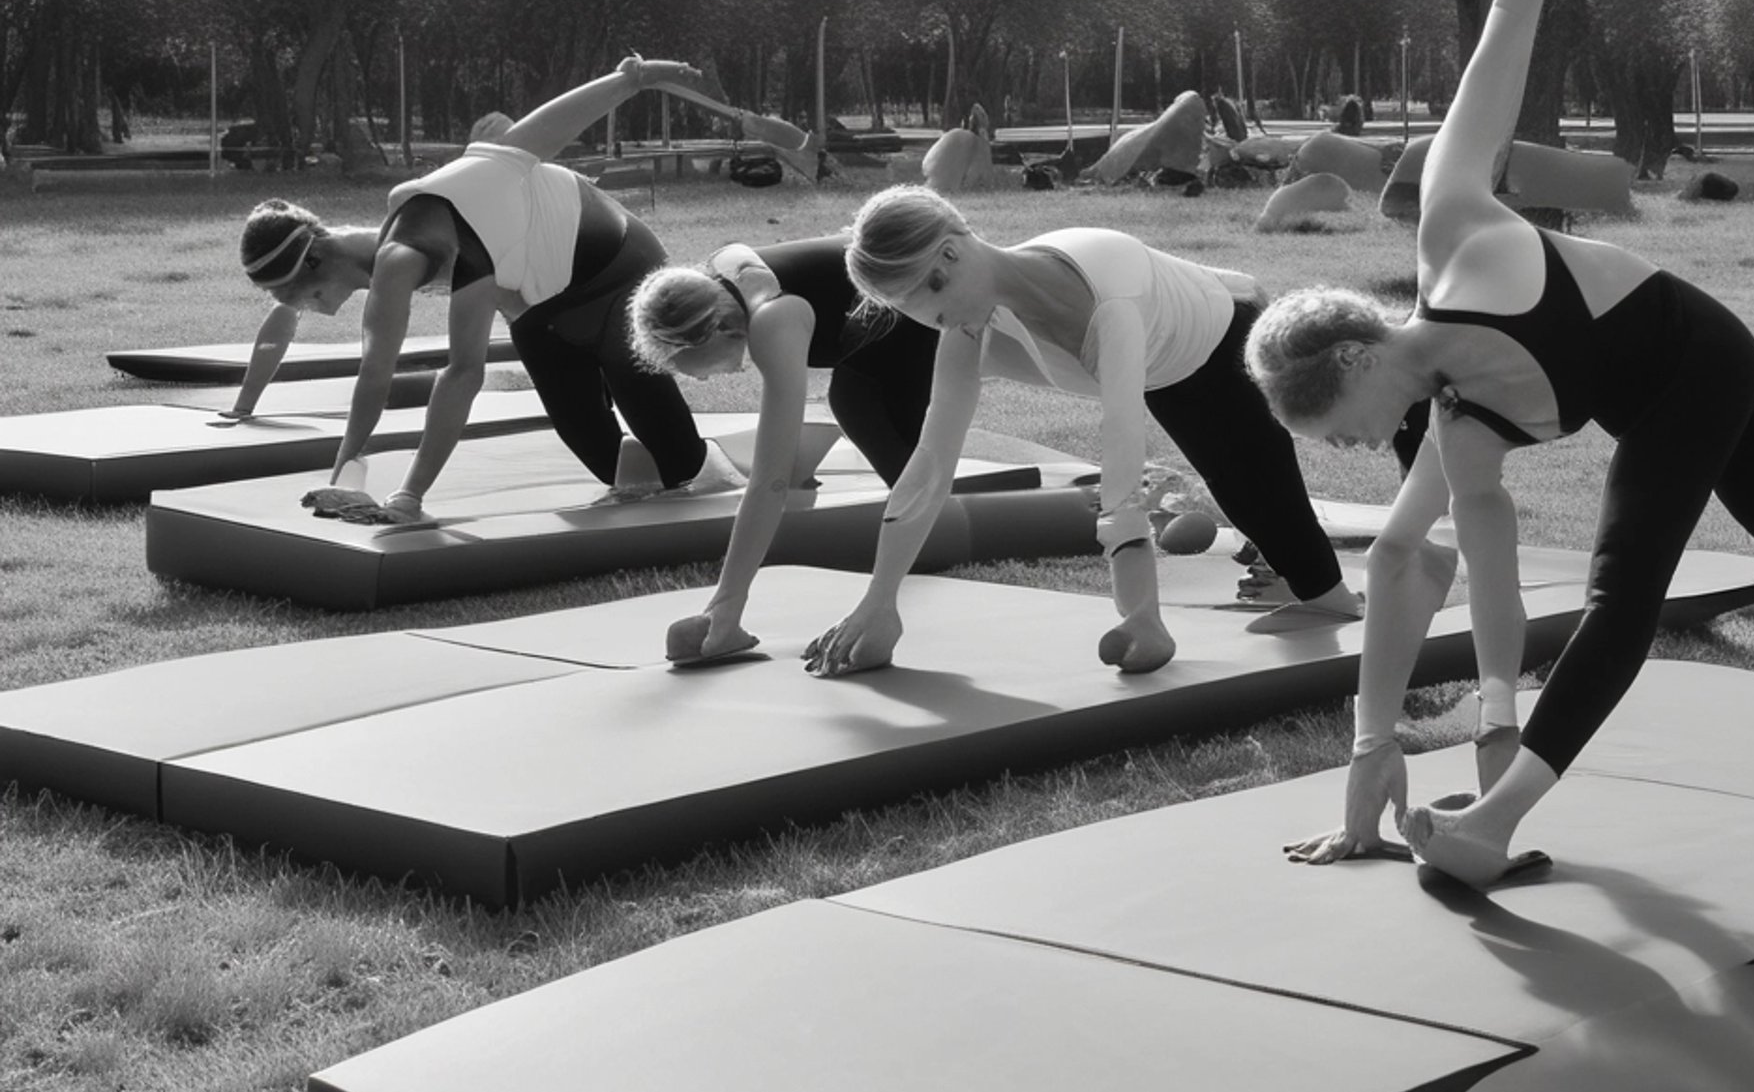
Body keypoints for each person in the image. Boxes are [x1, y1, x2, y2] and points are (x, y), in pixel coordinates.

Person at [1246, 0, 1754, 886]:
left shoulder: (1456, 232)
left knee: (1628, 585)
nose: (1343, 449)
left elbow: (1489, 81)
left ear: (1355, 359)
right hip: (1646, 396)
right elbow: (1404, 558)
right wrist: (1376, 745)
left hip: (1700, 356)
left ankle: (1495, 825)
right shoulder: (1460, 424)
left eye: (1335, 428)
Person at [800, 190, 1363, 679]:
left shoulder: (1108, 294)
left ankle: (1334, 595)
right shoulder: (966, 328)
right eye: (906, 309)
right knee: (1268, 525)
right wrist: (879, 603)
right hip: (1162, 372)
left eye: (926, 296)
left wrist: (1139, 612)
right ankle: (1298, 580)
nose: (928, 321)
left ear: (951, 255)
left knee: (1289, 537)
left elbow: (1121, 444)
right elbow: (930, 463)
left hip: (1223, 343)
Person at [234, 56, 713, 519]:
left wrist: (634, 78)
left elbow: (462, 374)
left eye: (308, 297)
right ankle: (644, 467)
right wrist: (342, 477)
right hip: (545, 310)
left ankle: (709, 469)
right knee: (605, 458)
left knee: (678, 463)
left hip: (616, 268)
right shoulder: (400, 233)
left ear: (317, 257)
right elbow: (374, 377)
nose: (319, 311)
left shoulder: (445, 218)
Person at [627, 238, 940, 663]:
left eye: (686, 362)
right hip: (890, 301)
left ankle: (931, 538)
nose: (699, 381)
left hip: (923, 296)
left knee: (859, 404)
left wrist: (725, 605)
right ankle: (929, 522)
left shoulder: (774, 320)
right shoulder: (720, 277)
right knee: (864, 408)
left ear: (719, 329)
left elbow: (769, 481)